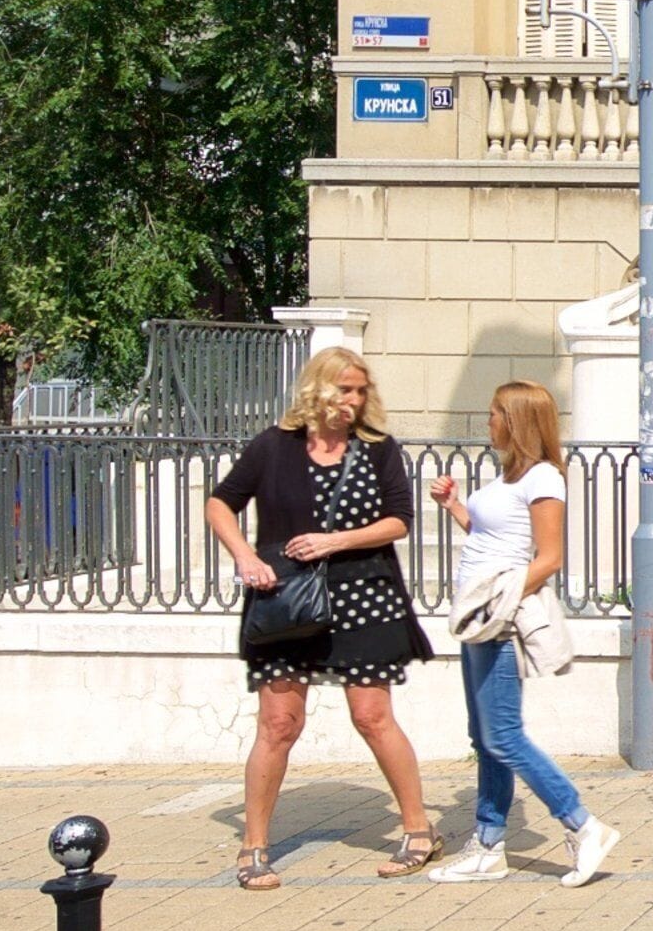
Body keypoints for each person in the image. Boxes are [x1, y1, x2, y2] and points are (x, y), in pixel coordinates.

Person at [206, 346, 439, 889]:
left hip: (365, 595)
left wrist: (337, 540)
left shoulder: (376, 450)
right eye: (344, 390)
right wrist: (245, 555)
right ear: (317, 390)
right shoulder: (272, 447)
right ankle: (254, 845)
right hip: (286, 597)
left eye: (360, 391)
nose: (353, 401)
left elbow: (398, 521)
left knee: (372, 716)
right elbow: (221, 503)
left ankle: (418, 829)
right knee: (280, 724)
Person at [424, 382, 619, 886]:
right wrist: (456, 508)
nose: (486, 421)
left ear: (515, 421)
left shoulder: (545, 478)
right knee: (484, 737)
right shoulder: (509, 476)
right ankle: (488, 846)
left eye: (493, 414)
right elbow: (492, 538)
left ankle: (583, 825)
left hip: (499, 620)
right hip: (479, 617)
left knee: (503, 735)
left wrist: (500, 600)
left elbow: (548, 558)